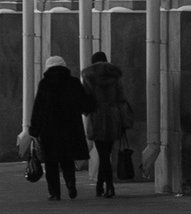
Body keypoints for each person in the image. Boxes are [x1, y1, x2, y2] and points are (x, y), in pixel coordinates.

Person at [26, 56, 94, 200]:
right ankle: (70, 184)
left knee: (51, 162)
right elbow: (84, 105)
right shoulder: (74, 82)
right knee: (67, 159)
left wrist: (34, 129)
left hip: (49, 129)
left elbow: (38, 108)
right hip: (70, 127)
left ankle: (55, 193)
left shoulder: (45, 84)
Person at [83, 49, 131, 197]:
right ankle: (100, 186)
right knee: (106, 153)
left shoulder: (88, 77)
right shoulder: (115, 77)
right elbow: (121, 99)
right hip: (112, 117)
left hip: (97, 117)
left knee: (102, 154)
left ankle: (109, 186)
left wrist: (86, 111)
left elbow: (86, 99)